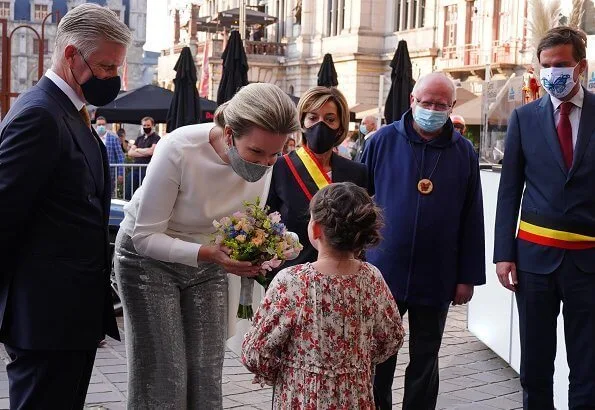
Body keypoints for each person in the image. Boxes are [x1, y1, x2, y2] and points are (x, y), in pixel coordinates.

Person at [114, 83, 300, 408]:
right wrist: (208, 253)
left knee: (206, 368)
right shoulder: (179, 148)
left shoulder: (264, 158)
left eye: (276, 153)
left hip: (210, 258)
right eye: (256, 152)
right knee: (163, 372)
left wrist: (264, 248)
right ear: (229, 134)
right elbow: (145, 237)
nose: (266, 163)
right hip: (146, 259)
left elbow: (244, 218)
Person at [0, 4, 130, 408]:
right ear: (71, 54)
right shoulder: (40, 115)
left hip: (68, 314)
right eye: (106, 67)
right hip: (43, 318)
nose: (112, 79)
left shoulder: (71, 112)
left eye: (117, 69)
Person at [362, 72, 486, 409]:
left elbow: (472, 217)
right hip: (381, 272)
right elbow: (357, 206)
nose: (431, 109)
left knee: (426, 357)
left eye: (440, 104)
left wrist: (467, 277)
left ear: (451, 107)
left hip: (438, 274)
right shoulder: (380, 141)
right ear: (412, 101)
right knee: (378, 357)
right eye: (426, 102)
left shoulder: (464, 152)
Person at [494, 26, 595, 409]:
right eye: (547, 65)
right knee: (535, 361)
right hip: (534, 260)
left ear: (580, 66)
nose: (554, 72)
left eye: (562, 64)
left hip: (589, 261)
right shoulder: (524, 118)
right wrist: (504, 253)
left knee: (588, 363)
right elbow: (509, 190)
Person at [242, 182, 405, 409]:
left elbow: (256, 352)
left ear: (316, 228)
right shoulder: (371, 278)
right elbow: (392, 337)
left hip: (301, 396)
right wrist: (357, 362)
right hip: (355, 397)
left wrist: (286, 372)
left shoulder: (292, 281)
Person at [267, 86, 368, 273]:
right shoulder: (279, 168)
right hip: (292, 279)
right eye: (313, 118)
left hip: (343, 277)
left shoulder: (357, 173)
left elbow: (362, 231)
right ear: (303, 123)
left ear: (340, 126)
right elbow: (268, 228)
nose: (320, 125)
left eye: (330, 119)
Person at [126, 116, 160, 198]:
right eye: (144, 125)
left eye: (148, 125)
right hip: (136, 169)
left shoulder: (156, 138)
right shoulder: (139, 138)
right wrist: (144, 152)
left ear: (152, 126)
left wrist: (137, 149)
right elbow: (130, 153)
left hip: (147, 170)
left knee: (144, 194)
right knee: (129, 192)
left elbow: (151, 151)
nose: (146, 127)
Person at [95, 115, 124, 196]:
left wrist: (120, 173)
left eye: (103, 124)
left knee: (109, 195)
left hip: (110, 173)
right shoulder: (92, 138)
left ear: (106, 125)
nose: (101, 126)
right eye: (99, 125)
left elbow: (120, 156)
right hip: (96, 173)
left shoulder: (113, 138)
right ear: (96, 126)